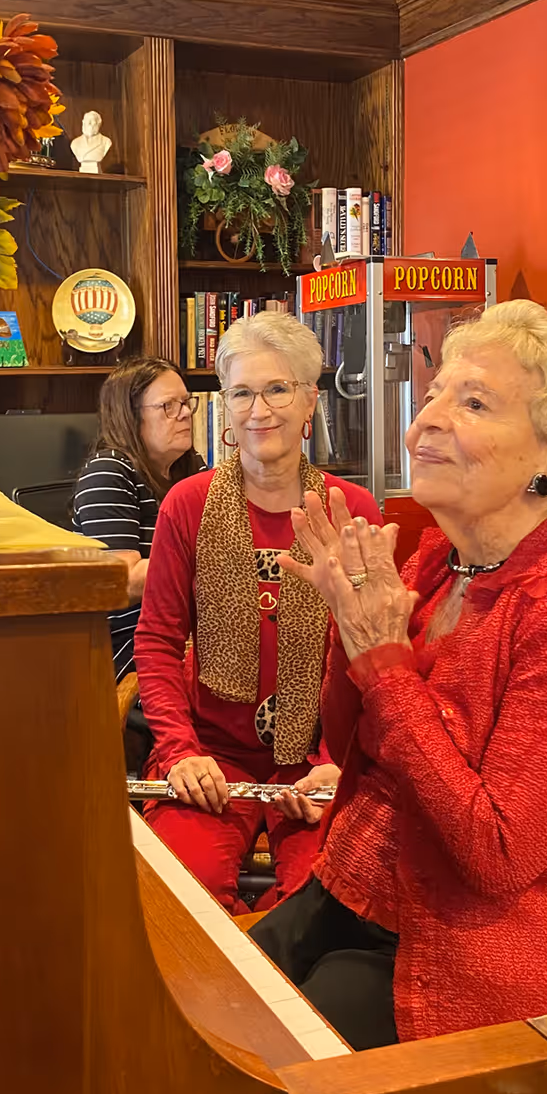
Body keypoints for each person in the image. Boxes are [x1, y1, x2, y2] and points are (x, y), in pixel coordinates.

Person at [251, 299, 547, 1051]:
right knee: (182, 1014)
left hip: (474, 957)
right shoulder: (437, 563)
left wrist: (383, 664)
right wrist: (351, 630)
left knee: (254, 1071)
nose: (427, 420)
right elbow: (353, 752)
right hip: (352, 896)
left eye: (473, 402)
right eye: (435, 392)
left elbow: (496, 852)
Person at [134, 312, 381, 915]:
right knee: (176, 901)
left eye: (277, 389)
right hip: (210, 759)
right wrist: (178, 750)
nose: (258, 410)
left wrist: (333, 765)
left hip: (322, 762)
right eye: (241, 392)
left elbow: (375, 655)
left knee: (330, 904)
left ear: (309, 403)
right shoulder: (186, 505)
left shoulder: (353, 508)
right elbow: (159, 641)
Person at [73, 357, 204, 682]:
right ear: (131, 417)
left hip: (194, 630)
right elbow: (124, 581)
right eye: (168, 406)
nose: (185, 413)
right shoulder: (107, 471)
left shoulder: (191, 470)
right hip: (130, 643)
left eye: (186, 403)